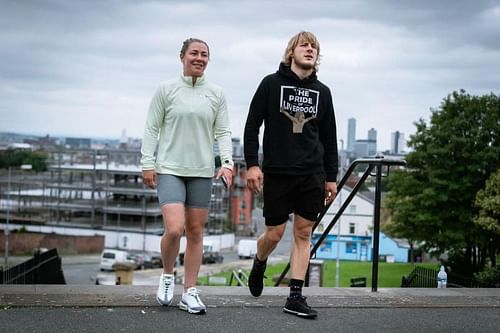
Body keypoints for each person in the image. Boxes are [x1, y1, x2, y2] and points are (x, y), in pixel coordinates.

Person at [243, 31, 338, 319]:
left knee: (303, 232)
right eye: (304, 45)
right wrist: (252, 165)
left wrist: (330, 177)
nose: (310, 50)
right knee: (275, 232)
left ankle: (294, 296)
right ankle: (260, 261)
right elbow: (251, 127)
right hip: (278, 171)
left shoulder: (323, 92)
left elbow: (330, 138)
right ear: (291, 52)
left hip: (312, 173)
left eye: (314, 47)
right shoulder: (270, 84)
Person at [140, 38, 233, 315]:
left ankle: (189, 292)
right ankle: (168, 275)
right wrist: (147, 162)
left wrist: (227, 163)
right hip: (169, 168)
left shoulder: (216, 93)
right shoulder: (166, 90)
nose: (199, 58)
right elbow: (150, 128)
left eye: (204, 54)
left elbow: (223, 132)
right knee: (174, 228)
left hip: (201, 171)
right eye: (194, 53)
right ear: (182, 57)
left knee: (195, 232)